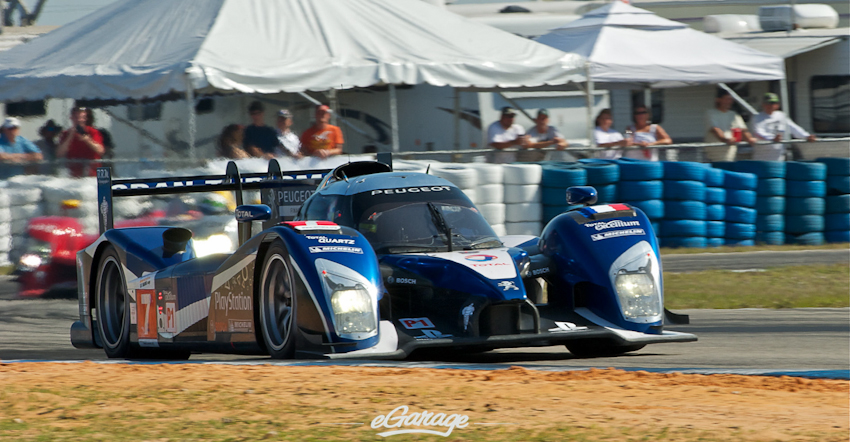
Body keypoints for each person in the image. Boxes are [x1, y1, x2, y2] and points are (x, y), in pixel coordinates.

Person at [750, 92, 816, 161]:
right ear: (763, 105)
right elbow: (758, 132)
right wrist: (772, 138)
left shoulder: (781, 115)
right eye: (768, 103)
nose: (770, 105)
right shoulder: (757, 117)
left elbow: (793, 127)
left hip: (778, 155)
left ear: (777, 105)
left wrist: (806, 136)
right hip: (761, 154)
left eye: (773, 103)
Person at [704, 89, 756, 162]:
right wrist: (725, 140)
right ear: (718, 100)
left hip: (730, 155)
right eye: (726, 99)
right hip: (714, 156)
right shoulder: (711, 113)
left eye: (730, 99)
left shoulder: (734, 115)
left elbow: (743, 130)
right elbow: (715, 129)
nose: (729, 102)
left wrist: (750, 139)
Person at [56, 107, 104, 177]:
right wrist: (70, 137)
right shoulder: (66, 134)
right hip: (74, 175)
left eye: (82, 117)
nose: (79, 120)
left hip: (92, 174)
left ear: (85, 119)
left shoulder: (93, 132)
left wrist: (88, 140)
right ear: (71, 118)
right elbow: (59, 154)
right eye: (76, 117)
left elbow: (101, 150)